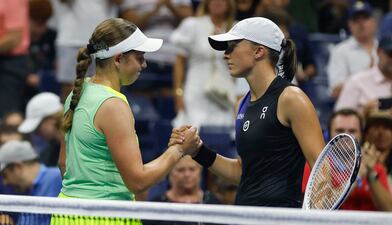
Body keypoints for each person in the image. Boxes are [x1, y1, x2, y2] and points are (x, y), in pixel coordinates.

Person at [56, 18, 200, 224]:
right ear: (118, 59)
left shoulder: (77, 93)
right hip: (105, 217)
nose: (144, 64)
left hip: (66, 214)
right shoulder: (113, 105)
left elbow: (63, 163)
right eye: (140, 58)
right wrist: (178, 150)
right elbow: (138, 181)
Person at [171, 17, 324, 207]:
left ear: (259, 51)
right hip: (245, 215)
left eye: (232, 46)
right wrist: (198, 151)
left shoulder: (291, 98)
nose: (225, 54)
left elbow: (323, 171)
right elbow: (243, 173)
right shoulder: (241, 104)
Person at [302, 109, 392, 211]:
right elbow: (320, 208)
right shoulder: (315, 166)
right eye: (339, 130)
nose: (346, 136)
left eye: (352, 131)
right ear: (328, 134)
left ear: (362, 135)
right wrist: (358, 174)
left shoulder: (375, 167)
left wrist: (370, 174)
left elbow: (390, 210)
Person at [171, 0, 237, 128]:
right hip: (195, 90)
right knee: (192, 134)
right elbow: (179, 62)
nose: (218, 2)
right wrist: (178, 93)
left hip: (225, 92)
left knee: (222, 136)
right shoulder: (192, 25)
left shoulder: (236, 29)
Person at [143, 156, 220, 225]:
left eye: (192, 169)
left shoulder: (213, 203)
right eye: (180, 170)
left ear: (200, 171)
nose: (187, 174)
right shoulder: (157, 206)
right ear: (169, 172)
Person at [0, 140, 62, 224]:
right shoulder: (25, 191)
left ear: (18, 167)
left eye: (5, 175)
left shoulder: (58, 178)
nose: (5, 182)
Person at [327, 1, 378, 99]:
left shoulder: (386, 50)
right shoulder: (340, 51)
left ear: (373, 22)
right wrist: (367, 75)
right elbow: (336, 91)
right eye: (356, 20)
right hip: (353, 108)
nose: (361, 23)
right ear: (350, 25)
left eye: (365, 18)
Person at [18, 92, 63, 167]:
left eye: (38, 127)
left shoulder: (81, 141)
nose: (37, 133)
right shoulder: (49, 153)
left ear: (53, 119)